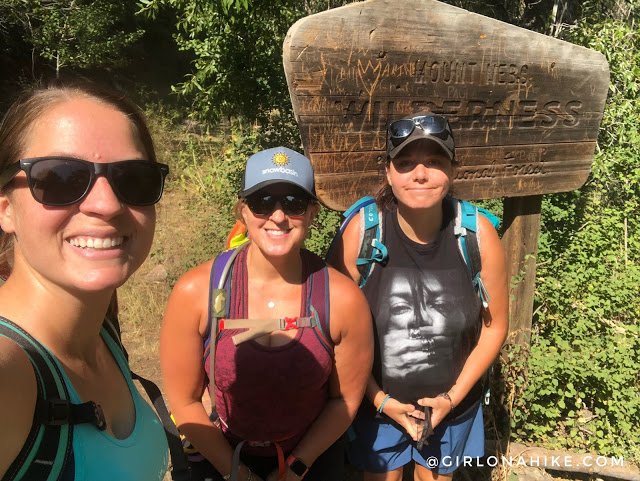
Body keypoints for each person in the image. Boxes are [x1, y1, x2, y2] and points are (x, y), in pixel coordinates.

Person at [161, 147, 373, 481]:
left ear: (313, 213)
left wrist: (295, 467)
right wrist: (237, 473)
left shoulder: (343, 299)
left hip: (311, 458)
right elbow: (185, 401)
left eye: (293, 203)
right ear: (242, 211)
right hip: (222, 455)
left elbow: (344, 400)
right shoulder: (196, 292)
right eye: (262, 202)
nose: (277, 216)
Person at [0, 82, 170, 481]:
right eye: (60, 177)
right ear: (6, 209)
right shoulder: (8, 373)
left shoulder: (102, 330)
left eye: (133, 179)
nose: (107, 204)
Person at [328, 112, 508, 480]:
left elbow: (494, 328)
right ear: (388, 171)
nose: (420, 174)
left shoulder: (476, 234)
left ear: (453, 170)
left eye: (435, 162)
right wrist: (380, 401)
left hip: (452, 411)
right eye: (406, 162)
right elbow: (335, 333)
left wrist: (451, 400)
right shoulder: (362, 233)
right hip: (376, 408)